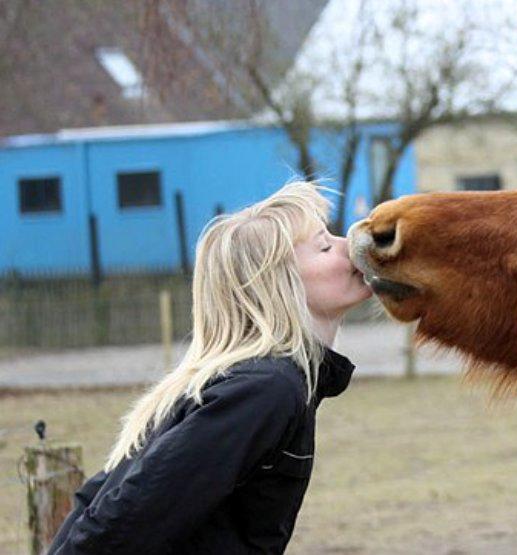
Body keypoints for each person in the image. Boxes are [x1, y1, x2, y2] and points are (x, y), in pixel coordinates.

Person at [50, 182, 372, 554]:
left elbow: (99, 503)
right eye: (325, 246)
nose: (350, 245)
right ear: (277, 283)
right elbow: (122, 521)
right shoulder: (266, 390)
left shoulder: (258, 383)